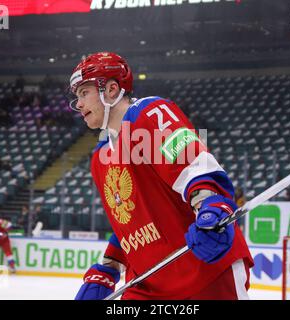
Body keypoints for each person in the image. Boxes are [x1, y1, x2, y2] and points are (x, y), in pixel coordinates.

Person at [70, 52, 253, 300]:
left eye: (83, 93)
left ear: (111, 89)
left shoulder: (149, 113)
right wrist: (108, 268)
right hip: (146, 284)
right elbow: (130, 222)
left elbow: (194, 167)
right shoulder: (99, 157)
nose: (78, 104)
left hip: (202, 270)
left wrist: (210, 206)